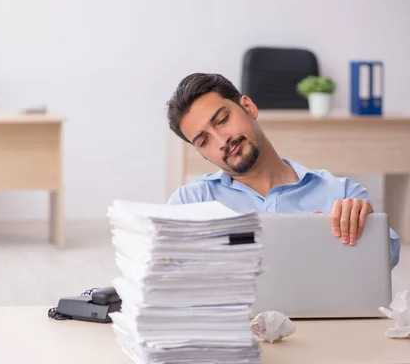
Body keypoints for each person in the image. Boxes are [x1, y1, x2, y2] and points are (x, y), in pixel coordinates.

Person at [166, 73, 401, 270]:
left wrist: (366, 229)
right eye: (204, 141)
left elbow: (386, 262)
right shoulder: (190, 203)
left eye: (223, 120)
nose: (221, 140)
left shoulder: (341, 193)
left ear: (248, 106)